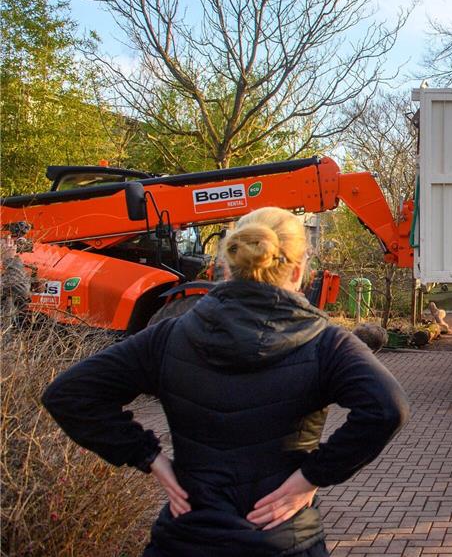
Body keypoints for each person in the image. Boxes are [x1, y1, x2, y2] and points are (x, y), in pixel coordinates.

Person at [42, 207, 410, 557]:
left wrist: (150, 458)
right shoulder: (326, 343)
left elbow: (70, 394)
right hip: (285, 541)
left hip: (185, 539)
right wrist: (309, 479)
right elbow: (387, 407)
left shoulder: (168, 336)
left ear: (227, 266)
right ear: (298, 271)